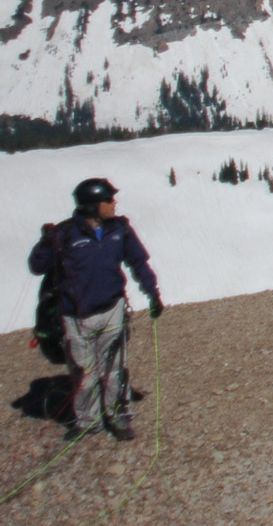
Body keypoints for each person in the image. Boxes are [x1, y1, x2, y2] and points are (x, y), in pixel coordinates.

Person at [28, 178, 163, 443]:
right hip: (75, 318)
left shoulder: (120, 230)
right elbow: (37, 265)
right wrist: (45, 242)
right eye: (108, 200)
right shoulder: (65, 235)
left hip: (113, 309)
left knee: (114, 369)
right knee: (84, 373)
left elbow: (138, 263)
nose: (114, 204)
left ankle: (118, 416)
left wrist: (152, 293)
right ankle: (88, 421)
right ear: (92, 206)